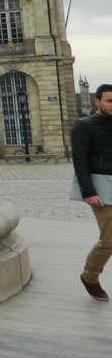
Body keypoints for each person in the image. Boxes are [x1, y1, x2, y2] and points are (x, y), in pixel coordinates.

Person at [72, 83, 112, 301]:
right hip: (103, 189)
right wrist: (88, 192)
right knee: (109, 241)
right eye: (109, 100)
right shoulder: (85, 126)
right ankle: (90, 276)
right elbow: (79, 161)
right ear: (97, 101)